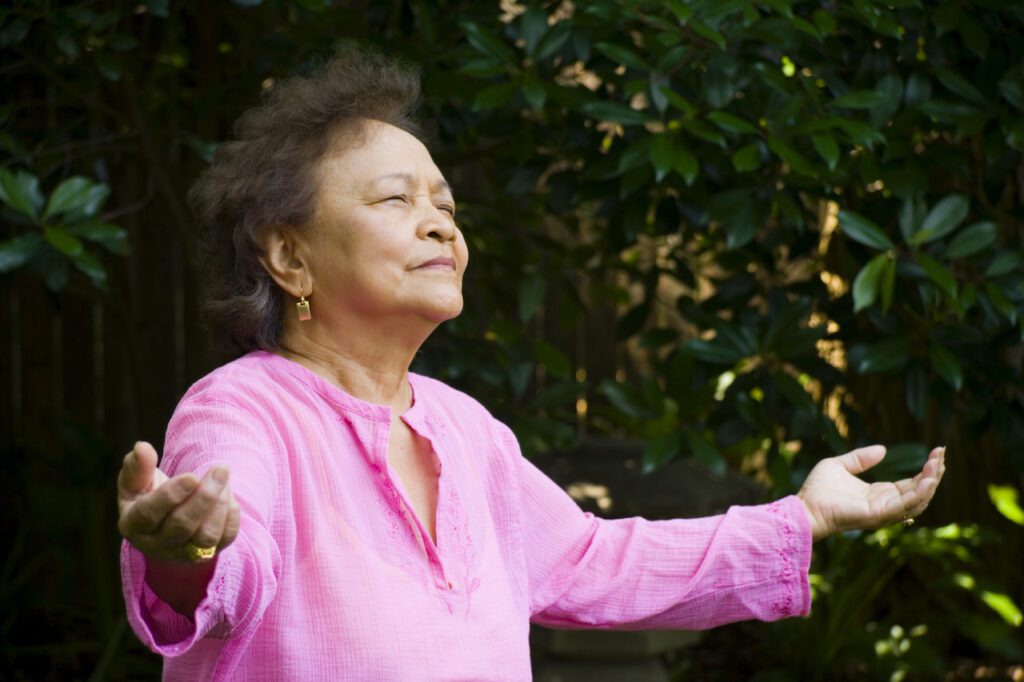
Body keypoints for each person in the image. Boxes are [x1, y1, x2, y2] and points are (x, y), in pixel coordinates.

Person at [116, 48, 945, 681]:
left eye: (446, 204)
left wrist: (804, 519)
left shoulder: (465, 428)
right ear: (289, 256)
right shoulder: (240, 411)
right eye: (396, 200)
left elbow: (597, 562)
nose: (441, 225)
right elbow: (231, 560)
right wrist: (186, 551)